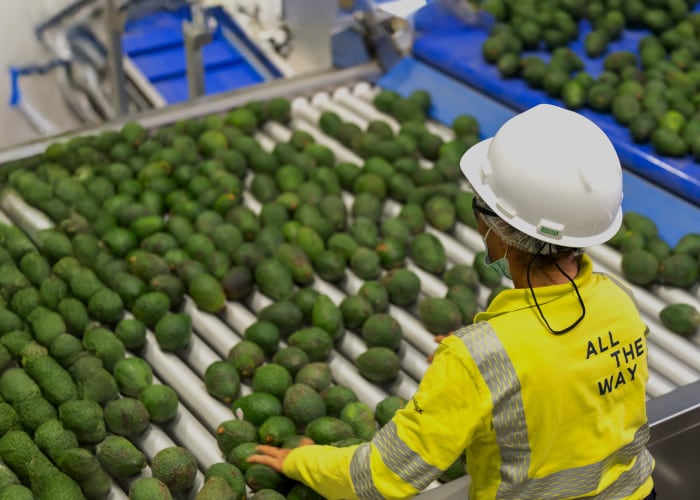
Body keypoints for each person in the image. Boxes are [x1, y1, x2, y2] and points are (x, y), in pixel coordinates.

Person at [248, 103, 655, 499]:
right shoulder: (620, 301)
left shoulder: (477, 359)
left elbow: (378, 479)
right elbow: (576, 375)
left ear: (496, 230)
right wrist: (487, 358)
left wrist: (302, 460)